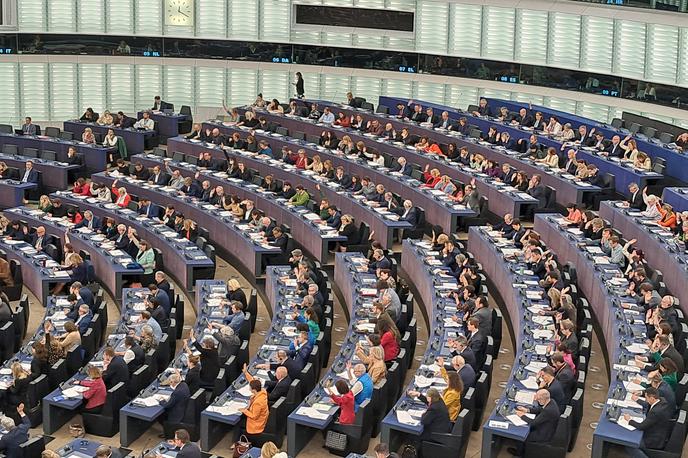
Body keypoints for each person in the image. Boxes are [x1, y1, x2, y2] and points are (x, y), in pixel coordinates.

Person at [623, 387, 673, 458]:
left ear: (652, 398)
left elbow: (641, 426)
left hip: (653, 440)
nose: (646, 400)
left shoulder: (655, 412)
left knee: (630, 444)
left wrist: (629, 420)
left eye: (646, 398)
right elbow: (649, 405)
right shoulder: (661, 400)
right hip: (661, 433)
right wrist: (637, 400)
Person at [507, 389, 560, 456]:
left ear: (543, 399)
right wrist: (527, 410)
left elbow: (533, 423)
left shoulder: (548, 411)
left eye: (538, 399)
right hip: (547, 427)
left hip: (543, 434)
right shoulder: (551, 401)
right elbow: (540, 409)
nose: (536, 400)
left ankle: (520, 453)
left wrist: (522, 416)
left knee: (520, 435)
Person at [235, 379, 269, 443]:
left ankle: (237, 442)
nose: (249, 389)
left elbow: (254, 416)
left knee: (238, 422)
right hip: (260, 416)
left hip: (257, 423)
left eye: (250, 388)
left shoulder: (258, 402)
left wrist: (244, 410)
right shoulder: (262, 392)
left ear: (254, 390)